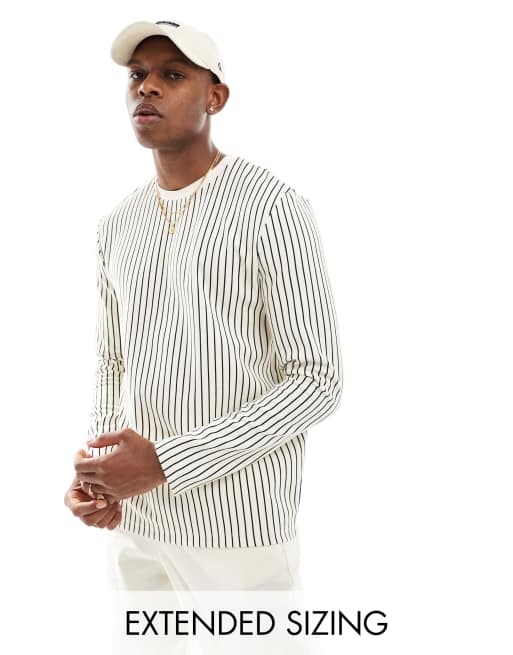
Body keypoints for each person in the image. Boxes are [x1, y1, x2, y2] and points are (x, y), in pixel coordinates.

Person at [64, 19, 343, 595]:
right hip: (136, 527)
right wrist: (99, 473)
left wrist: (169, 462)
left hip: (238, 531)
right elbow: (113, 362)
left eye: (172, 75)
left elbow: (317, 380)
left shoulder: (272, 207)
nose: (147, 87)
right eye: (137, 75)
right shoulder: (117, 224)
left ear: (215, 98)